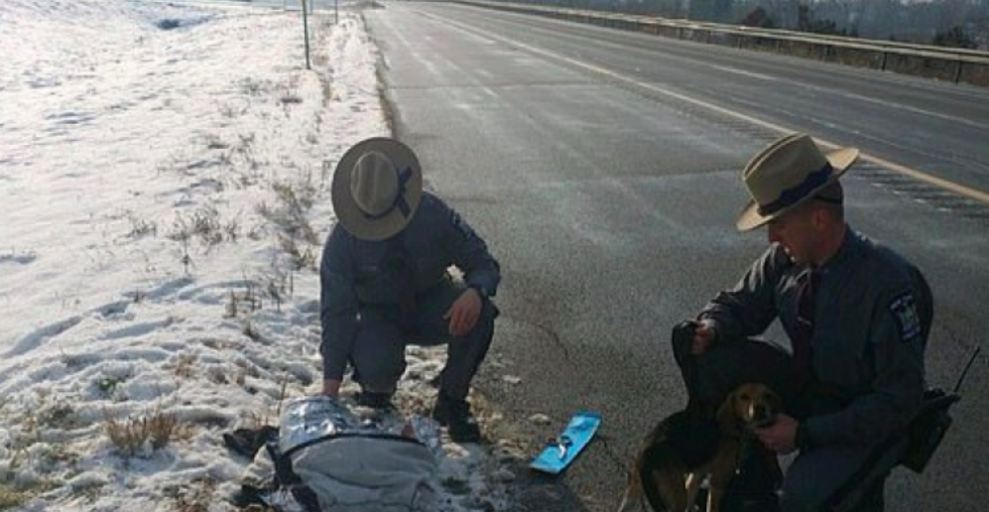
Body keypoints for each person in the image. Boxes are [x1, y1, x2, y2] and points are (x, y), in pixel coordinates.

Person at [671, 133, 929, 511]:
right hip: (811, 387)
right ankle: (749, 478)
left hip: (862, 416)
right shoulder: (785, 260)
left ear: (819, 219)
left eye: (780, 224)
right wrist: (710, 328)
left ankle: (855, 491)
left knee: (803, 496)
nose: (772, 237)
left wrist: (805, 434)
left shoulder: (884, 285)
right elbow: (739, 304)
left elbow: (898, 400)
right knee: (712, 359)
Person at [319, 137, 500, 443]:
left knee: (480, 315)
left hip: (431, 302)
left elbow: (482, 261)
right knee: (377, 366)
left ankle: (451, 401)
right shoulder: (342, 241)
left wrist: (475, 291)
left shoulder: (433, 213)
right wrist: (330, 390)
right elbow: (337, 314)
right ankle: (376, 389)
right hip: (378, 316)